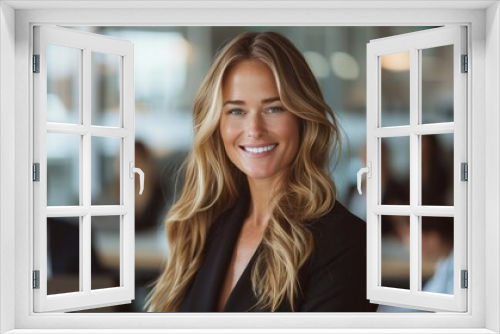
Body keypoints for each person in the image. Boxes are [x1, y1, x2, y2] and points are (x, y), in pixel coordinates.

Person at [147, 31, 376, 312]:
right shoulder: (206, 225)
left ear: (302, 118)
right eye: (236, 111)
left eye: (274, 109)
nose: (254, 130)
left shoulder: (346, 242)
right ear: (216, 124)